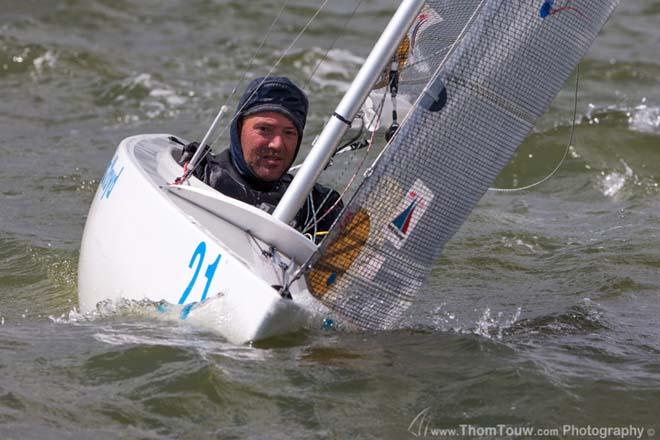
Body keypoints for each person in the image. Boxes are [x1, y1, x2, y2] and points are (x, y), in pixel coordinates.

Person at [178, 76, 343, 241]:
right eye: (264, 129)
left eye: (289, 133)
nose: (277, 144)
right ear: (239, 128)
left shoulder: (317, 208)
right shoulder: (197, 175)